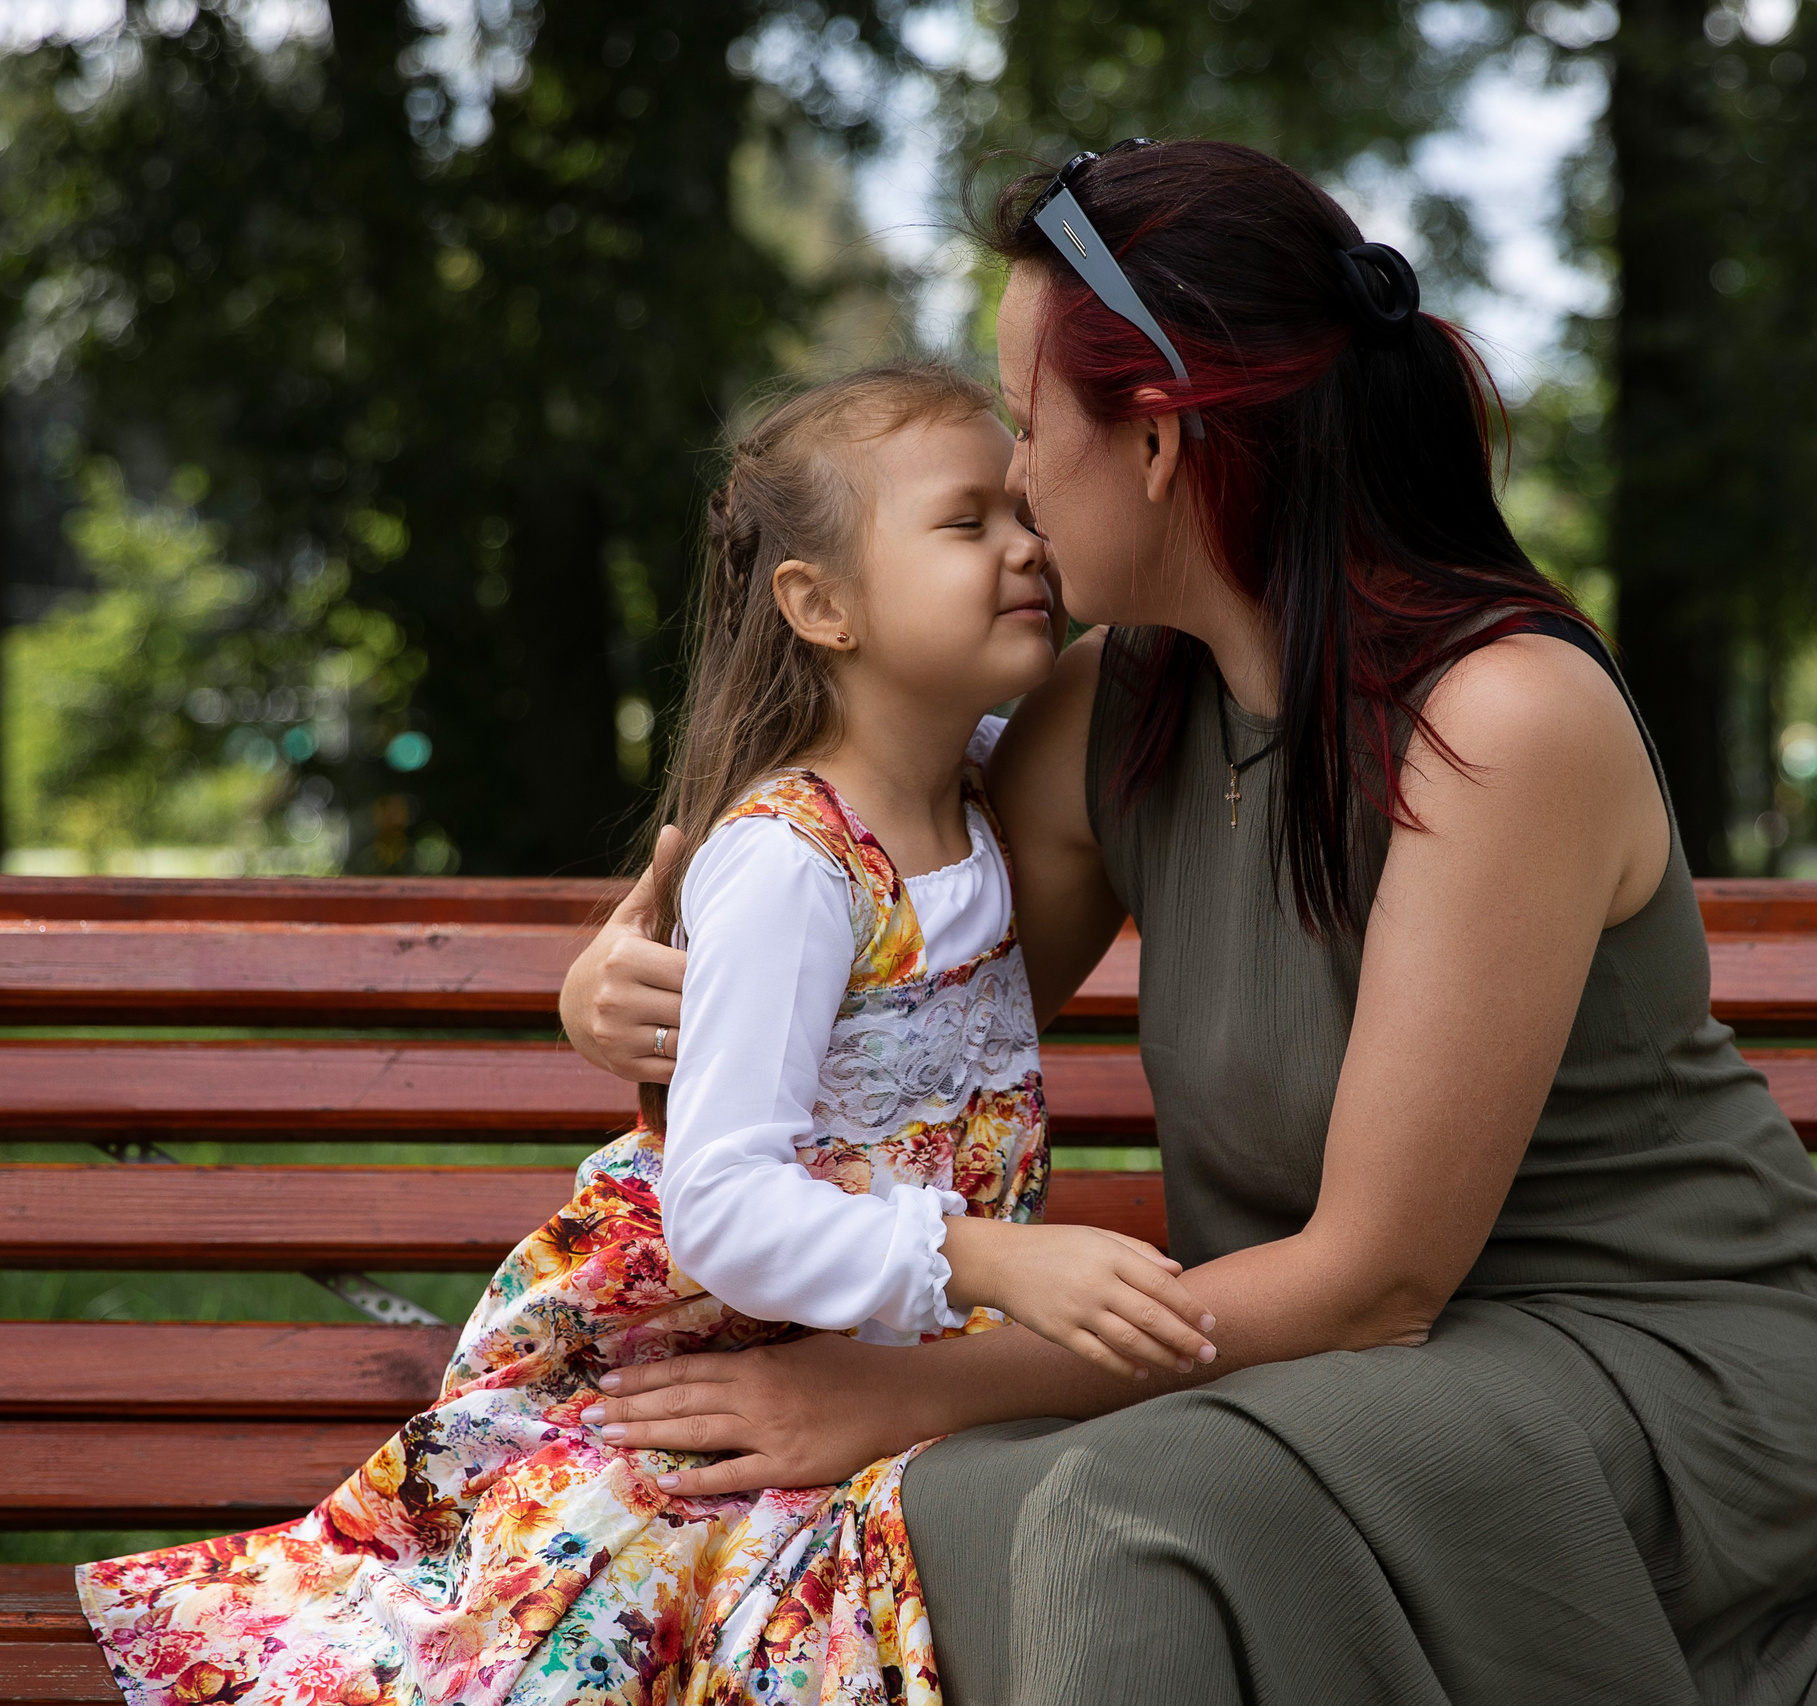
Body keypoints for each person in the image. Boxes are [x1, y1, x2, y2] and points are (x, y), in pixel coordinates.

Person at [564, 141, 1817, 1703]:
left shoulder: (1502, 719)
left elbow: (1372, 1283)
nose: (1014, 474)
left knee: (1136, 1521)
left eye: (1029, 416)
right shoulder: (1124, 707)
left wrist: (879, 1386)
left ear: (1155, 445)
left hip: (1639, 1378)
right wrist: (633, 991)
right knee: (933, 1519)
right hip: (1296, 1386)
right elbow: (869, 991)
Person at [76, 363, 1215, 1706]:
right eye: (968, 522)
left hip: (870, 1364)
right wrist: (987, 1257)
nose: (1027, 543)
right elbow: (722, 1205)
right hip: (688, 1366)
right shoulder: (793, 865)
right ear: (820, 603)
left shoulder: (973, 788)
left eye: (1020, 511)